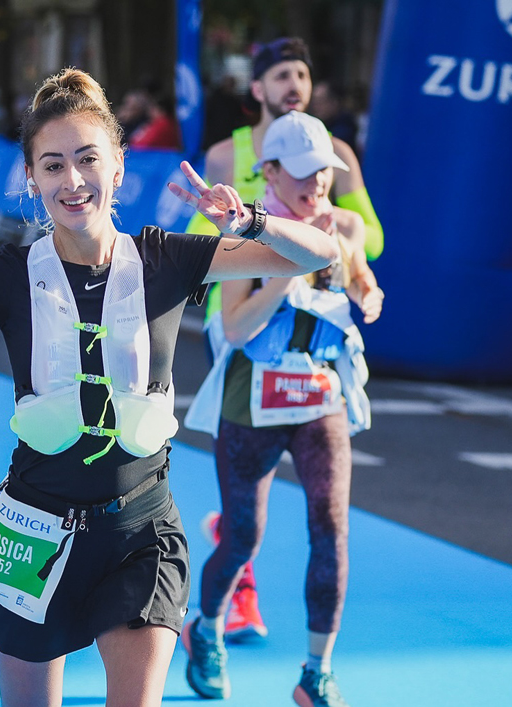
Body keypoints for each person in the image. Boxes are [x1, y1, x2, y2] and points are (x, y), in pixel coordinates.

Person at [0, 68, 338, 707]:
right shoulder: (7, 276)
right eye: (52, 165)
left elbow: (317, 255)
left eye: (87, 160)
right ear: (31, 178)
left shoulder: (169, 259)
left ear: (118, 167)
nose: (72, 180)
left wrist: (247, 220)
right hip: (35, 531)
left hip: (142, 532)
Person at [186, 36, 385, 642]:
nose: (293, 84)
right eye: (281, 74)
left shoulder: (335, 165)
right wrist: (238, 231)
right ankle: (219, 609)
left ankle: (317, 669)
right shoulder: (228, 155)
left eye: (303, 72)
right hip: (249, 358)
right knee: (246, 528)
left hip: (318, 380)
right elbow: (202, 252)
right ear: (258, 87)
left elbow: (365, 243)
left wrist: (358, 280)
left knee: (331, 525)